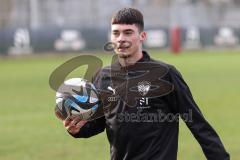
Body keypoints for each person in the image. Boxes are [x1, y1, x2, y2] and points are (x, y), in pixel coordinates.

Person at [63, 8, 230, 160]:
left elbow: (197, 122)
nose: (121, 39)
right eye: (116, 33)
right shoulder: (102, 77)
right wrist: (79, 130)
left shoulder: (166, 74)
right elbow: (101, 123)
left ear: (142, 36)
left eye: (128, 32)